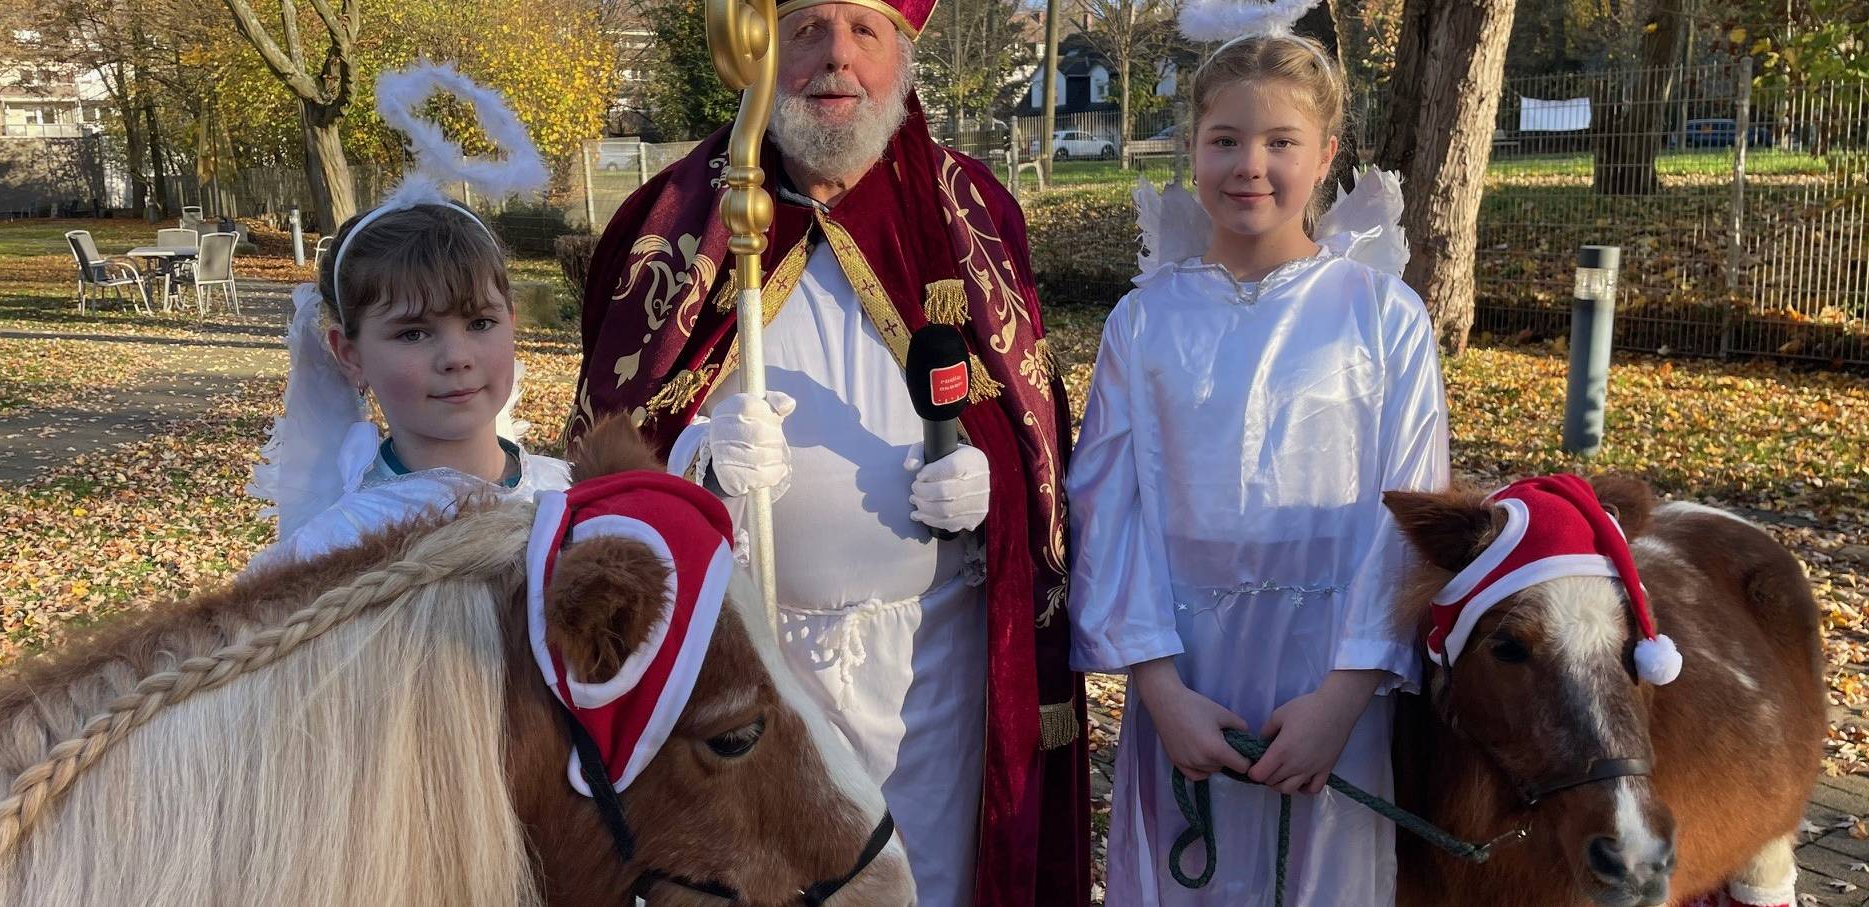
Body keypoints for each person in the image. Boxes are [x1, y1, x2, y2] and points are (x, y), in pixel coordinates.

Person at [567, 0, 1088, 903]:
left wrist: (990, 486)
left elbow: (1030, 435)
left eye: (865, 31)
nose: (836, 58)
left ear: (903, 56)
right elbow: (608, 453)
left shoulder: (969, 210)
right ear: (762, 48)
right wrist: (699, 464)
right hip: (745, 676)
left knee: (927, 885)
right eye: (807, 28)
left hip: (932, 670)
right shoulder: (681, 219)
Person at [1066, 17, 1450, 906]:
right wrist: (1160, 690)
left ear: (1325, 156)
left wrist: (1343, 698)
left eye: (1281, 142)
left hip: (1333, 676)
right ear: (1192, 149)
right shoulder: (1144, 323)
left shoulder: (1383, 317)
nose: (1250, 165)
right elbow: (1108, 509)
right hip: (1186, 673)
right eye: (1225, 140)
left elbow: (1412, 514)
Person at [249, 64, 567, 570]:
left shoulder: (568, 496)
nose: (456, 357)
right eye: (414, 333)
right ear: (350, 354)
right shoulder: (336, 550)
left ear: (511, 320)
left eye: (479, 323)